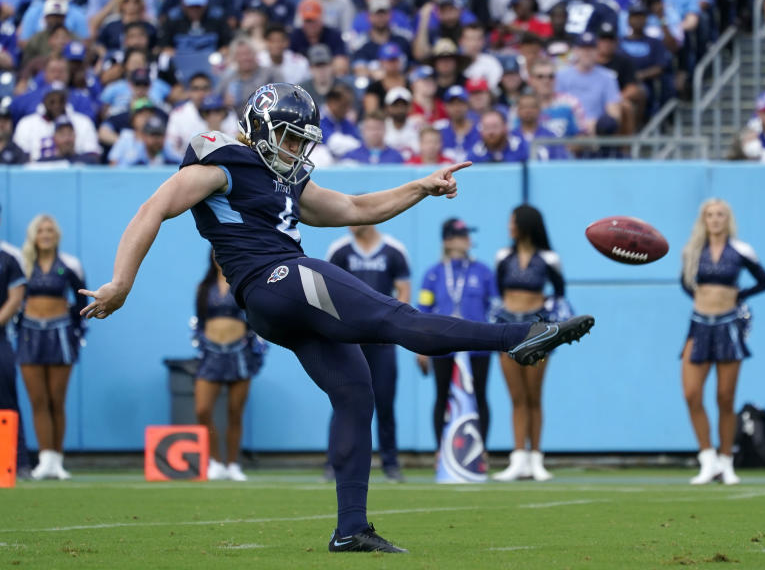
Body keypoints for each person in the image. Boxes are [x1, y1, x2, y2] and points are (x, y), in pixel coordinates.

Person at [79, 82, 594, 552]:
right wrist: (121, 282)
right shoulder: (220, 162)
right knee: (397, 319)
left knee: (355, 392)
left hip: (271, 305)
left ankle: (351, 529)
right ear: (259, 126)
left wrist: (420, 186)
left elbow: (354, 207)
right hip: (277, 278)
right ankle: (520, 336)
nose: (295, 149)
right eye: (287, 136)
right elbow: (153, 209)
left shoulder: (283, 180)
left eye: (301, 140)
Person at [680, 199, 765, 485]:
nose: (715, 219)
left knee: (725, 397)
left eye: (720, 215)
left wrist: (738, 296)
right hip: (699, 324)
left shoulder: (741, 250)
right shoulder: (693, 251)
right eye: (710, 215)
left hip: (728, 325)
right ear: (703, 219)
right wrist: (704, 297)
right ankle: (706, 458)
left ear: (727, 219)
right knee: (692, 393)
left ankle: (726, 461)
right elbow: (685, 283)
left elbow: (764, 281)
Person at [326, 224, 411, 482]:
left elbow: (404, 291)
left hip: (382, 339)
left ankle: (390, 463)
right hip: (350, 339)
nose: (349, 224)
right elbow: (326, 290)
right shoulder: (339, 250)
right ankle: (336, 462)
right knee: (343, 399)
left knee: (384, 402)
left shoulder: (394, 251)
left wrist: (398, 327)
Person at [492, 204, 570, 482]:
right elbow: (499, 290)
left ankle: (536, 458)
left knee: (534, 395)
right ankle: (517, 458)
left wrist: (553, 323)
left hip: (536, 330)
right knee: (516, 396)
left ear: (525, 224)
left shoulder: (548, 259)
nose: (509, 226)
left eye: (513, 221)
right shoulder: (503, 257)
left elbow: (560, 293)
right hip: (508, 327)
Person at [416, 218, 497, 462]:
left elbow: (494, 308)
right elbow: (423, 310)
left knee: (480, 395)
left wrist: (496, 339)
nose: (468, 240)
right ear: (447, 241)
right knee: (441, 395)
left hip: (478, 346)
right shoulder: (433, 274)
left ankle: (480, 450)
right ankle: (440, 450)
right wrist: (420, 346)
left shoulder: (483, 272)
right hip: (443, 343)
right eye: (462, 235)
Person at [17, 214, 86, 480]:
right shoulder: (23, 264)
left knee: (57, 399)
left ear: (56, 235)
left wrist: (75, 332)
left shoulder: (70, 264)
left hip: (60, 334)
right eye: (40, 230)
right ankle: (44, 458)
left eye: (50, 230)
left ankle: (57, 460)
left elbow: (82, 300)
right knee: (38, 399)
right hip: (29, 335)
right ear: (33, 236)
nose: (45, 234)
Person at [193, 251, 266, 482]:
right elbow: (199, 321)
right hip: (211, 352)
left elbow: (256, 318)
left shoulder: (242, 283)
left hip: (240, 352)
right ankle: (215, 461)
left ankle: (233, 464)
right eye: (216, 252)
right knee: (202, 409)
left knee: (235, 412)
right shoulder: (203, 288)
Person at [0, 206, 28, 476]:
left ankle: (18, 463)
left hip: (1, 341)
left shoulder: (8, 257)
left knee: (7, 400)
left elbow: (15, 298)